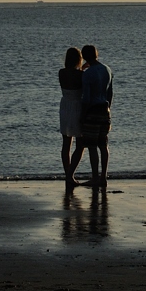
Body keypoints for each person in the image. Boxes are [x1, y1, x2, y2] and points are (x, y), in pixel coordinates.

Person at [75, 44, 113, 187]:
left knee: (92, 145)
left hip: (92, 111)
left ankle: (95, 177)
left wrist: (82, 116)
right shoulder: (107, 70)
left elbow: (86, 98)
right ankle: (103, 176)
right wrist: (108, 108)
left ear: (84, 57)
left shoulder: (88, 74)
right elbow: (110, 93)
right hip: (104, 109)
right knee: (103, 145)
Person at [58, 47, 83, 187]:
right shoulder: (81, 75)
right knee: (80, 143)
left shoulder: (61, 72)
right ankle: (70, 175)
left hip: (65, 106)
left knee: (66, 143)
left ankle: (68, 174)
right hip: (77, 106)